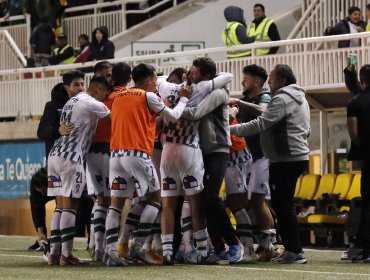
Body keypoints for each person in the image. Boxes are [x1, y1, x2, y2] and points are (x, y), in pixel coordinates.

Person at [104, 63, 191, 266]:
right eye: (154, 80)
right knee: (155, 199)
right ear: (148, 80)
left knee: (116, 204)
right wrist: (185, 97)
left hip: (116, 155)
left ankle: (111, 253)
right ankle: (138, 247)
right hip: (137, 153)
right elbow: (174, 115)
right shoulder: (148, 96)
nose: (156, 84)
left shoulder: (117, 96)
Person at [230, 64, 310, 264]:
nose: (269, 82)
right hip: (291, 157)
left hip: (285, 159)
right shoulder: (299, 98)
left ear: (283, 80)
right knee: (282, 205)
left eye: (272, 77)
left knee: (283, 206)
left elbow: (261, 123)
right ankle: (290, 249)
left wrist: (230, 129)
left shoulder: (281, 98)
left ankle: (294, 251)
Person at [181, 57, 244, 264]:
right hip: (201, 152)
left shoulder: (218, 93)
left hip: (217, 150)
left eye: (195, 73)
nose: (191, 76)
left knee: (210, 197)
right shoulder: (202, 90)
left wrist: (171, 108)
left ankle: (235, 242)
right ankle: (219, 248)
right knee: (203, 201)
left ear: (207, 76)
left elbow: (196, 113)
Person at [47, 73, 112, 266]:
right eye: (105, 94)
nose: (105, 99)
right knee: (71, 205)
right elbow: (115, 119)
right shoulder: (92, 102)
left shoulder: (71, 101)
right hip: (71, 158)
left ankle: (54, 253)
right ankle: (66, 255)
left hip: (55, 155)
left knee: (60, 205)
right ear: (100, 89)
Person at [229, 64, 279, 261]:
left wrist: (240, 105)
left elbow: (264, 111)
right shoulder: (247, 99)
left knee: (259, 200)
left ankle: (269, 245)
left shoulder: (263, 96)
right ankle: (263, 241)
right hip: (251, 157)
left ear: (257, 82)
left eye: (246, 79)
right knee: (254, 201)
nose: (243, 82)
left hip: (264, 157)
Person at [346, 64, 370, 263]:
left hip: (368, 157)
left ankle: (366, 249)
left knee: (368, 204)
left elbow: (353, 133)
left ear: (362, 80)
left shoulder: (356, 102)